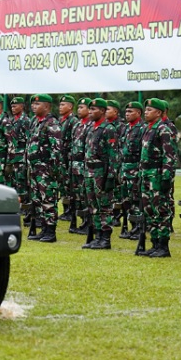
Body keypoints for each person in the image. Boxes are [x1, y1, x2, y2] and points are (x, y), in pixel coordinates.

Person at [136, 99, 177, 258]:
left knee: (161, 210)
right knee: (149, 210)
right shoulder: (147, 129)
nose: (146, 112)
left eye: (149, 110)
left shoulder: (163, 129)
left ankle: (163, 245)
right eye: (146, 110)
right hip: (146, 174)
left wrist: (166, 177)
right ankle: (154, 243)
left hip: (158, 175)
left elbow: (169, 156)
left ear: (159, 113)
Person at [81, 98, 118, 250]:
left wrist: (110, 177)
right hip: (89, 172)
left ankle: (105, 238)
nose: (90, 112)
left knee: (104, 206)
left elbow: (113, 156)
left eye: (93, 109)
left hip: (101, 172)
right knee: (93, 206)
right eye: (89, 109)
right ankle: (97, 236)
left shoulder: (108, 129)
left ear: (102, 111)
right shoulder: (91, 128)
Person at [25, 94, 62, 243]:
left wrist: (53, 170)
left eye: (37, 104)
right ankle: (43, 228)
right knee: (37, 199)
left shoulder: (52, 123)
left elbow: (57, 149)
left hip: (46, 169)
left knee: (48, 199)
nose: (34, 107)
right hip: (35, 168)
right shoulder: (35, 122)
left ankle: (51, 231)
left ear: (46, 106)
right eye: (33, 104)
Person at [118, 101, 146, 240]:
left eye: (131, 112)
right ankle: (131, 225)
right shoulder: (125, 128)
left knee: (136, 199)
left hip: (135, 168)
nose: (127, 114)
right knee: (126, 199)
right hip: (125, 168)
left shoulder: (142, 129)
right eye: (126, 112)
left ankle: (138, 227)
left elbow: (143, 152)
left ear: (139, 113)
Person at [68, 97, 92, 235]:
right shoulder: (77, 125)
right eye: (79, 107)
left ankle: (87, 221)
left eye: (82, 107)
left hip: (84, 165)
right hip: (75, 165)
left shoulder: (91, 126)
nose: (79, 110)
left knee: (86, 196)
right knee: (76, 196)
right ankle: (81, 220)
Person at [6, 96, 31, 220]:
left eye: (15, 106)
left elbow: (28, 139)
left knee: (22, 183)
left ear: (22, 106)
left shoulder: (26, 120)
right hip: (12, 156)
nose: (13, 108)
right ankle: (17, 205)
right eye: (12, 106)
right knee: (14, 182)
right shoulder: (11, 120)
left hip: (21, 156)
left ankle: (25, 208)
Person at [106, 100, 127, 228]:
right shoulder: (103, 125)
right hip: (105, 163)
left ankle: (117, 215)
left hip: (118, 163)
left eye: (108, 109)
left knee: (118, 190)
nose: (105, 112)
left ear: (115, 111)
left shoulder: (121, 126)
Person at [57, 95, 78, 221]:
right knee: (63, 185)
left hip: (68, 157)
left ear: (70, 107)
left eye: (63, 105)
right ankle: (66, 210)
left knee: (70, 185)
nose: (60, 107)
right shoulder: (61, 120)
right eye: (60, 105)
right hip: (61, 157)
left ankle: (71, 211)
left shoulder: (73, 121)